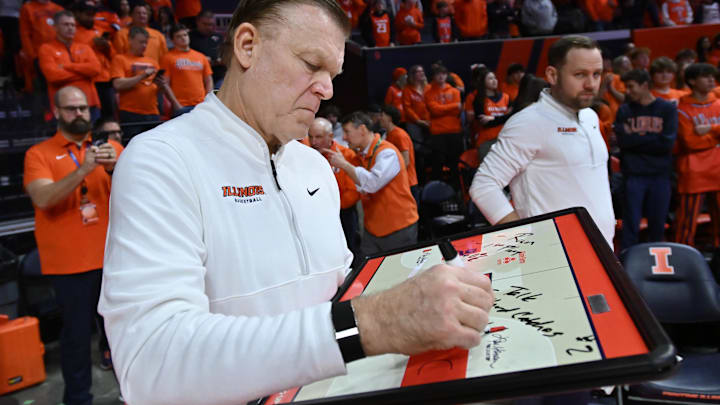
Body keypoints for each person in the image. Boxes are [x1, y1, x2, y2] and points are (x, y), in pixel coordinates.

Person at [98, 2, 494, 404]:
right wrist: (376, 321)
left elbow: (337, 285)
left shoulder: (313, 167)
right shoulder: (161, 159)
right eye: (311, 64)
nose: (328, 89)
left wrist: (418, 299)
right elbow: (153, 365)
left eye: (332, 74)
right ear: (248, 46)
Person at [23, 85, 122, 405]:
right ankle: (78, 400)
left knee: (123, 336)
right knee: (76, 340)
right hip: (70, 266)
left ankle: (134, 393)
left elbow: (142, 193)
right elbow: (43, 197)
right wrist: (83, 170)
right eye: (71, 109)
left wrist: (114, 167)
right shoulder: (39, 154)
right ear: (56, 112)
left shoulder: (111, 149)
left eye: (83, 108)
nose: (79, 113)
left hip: (114, 259)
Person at [469, 35, 615, 247]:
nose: (590, 84)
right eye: (580, 74)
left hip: (602, 248)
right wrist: (527, 242)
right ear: (552, 75)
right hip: (557, 258)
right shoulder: (528, 123)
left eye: (596, 74)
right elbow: (483, 186)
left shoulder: (590, 116)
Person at [328, 111, 419, 254]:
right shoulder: (360, 154)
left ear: (362, 130)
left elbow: (371, 184)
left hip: (398, 227)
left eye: (347, 131)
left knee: (401, 274)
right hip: (373, 229)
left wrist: (344, 165)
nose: (344, 137)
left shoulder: (387, 152)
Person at [614, 69, 677, 250]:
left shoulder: (667, 108)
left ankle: (655, 271)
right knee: (630, 227)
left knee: (657, 226)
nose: (627, 91)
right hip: (633, 175)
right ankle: (627, 269)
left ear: (645, 85)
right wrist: (651, 139)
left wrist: (636, 141)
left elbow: (666, 144)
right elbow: (623, 142)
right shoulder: (624, 110)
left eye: (631, 86)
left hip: (660, 175)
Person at [674, 63, 720, 248]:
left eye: (712, 76)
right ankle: (683, 263)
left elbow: (699, 138)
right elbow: (690, 142)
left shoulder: (718, 103)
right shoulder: (682, 108)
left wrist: (710, 128)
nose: (711, 80)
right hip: (694, 172)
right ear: (692, 81)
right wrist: (715, 140)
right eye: (705, 76)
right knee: (686, 225)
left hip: (718, 169)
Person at [306, 117, 361, 255]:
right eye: (310, 136)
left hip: (343, 213)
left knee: (350, 250)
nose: (314, 142)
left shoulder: (346, 154)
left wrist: (331, 208)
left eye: (318, 137)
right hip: (315, 214)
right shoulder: (305, 154)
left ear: (330, 136)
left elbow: (353, 192)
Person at [38, 11, 101, 117]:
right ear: (55, 27)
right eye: (66, 24)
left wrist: (67, 66)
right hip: (64, 106)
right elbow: (53, 76)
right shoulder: (46, 49)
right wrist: (84, 75)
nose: (70, 28)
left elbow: (95, 69)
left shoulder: (85, 47)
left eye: (73, 25)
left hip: (90, 103)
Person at [111, 26, 176, 127]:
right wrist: (143, 76)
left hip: (153, 112)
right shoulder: (120, 59)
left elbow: (158, 90)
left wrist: (161, 85)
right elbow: (118, 84)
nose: (144, 45)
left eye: (146, 42)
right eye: (141, 42)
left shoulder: (153, 62)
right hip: (130, 112)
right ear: (130, 40)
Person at [72, 2, 116, 118]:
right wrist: (92, 45)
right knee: (92, 115)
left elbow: (113, 55)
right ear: (77, 14)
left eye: (92, 15)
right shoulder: (74, 32)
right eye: (87, 15)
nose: (90, 18)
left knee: (109, 114)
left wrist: (106, 47)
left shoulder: (99, 30)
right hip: (88, 80)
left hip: (105, 78)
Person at [161, 24, 213, 115]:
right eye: (178, 36)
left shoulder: (201, 56)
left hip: (201, 105)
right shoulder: (167, 58)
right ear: (172, 40)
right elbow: (165, 83)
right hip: (181, 105)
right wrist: (176, 104)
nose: (183, 38)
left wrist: (207, 101)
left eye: (185, 35)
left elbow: (208, 80)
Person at [424, 63, 462, 183]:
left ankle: (456, 189)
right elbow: (434, 111)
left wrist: (443, 108)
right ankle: (438, 190)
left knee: (454, 162)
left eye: (443, 74)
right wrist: (453, 106)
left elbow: (458, 110)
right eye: (438, 74)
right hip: (437, 132)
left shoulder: (455, 91)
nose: (441, 77)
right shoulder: (429, 92)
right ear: (433, 77)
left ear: (446, 75)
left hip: (454, 130)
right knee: (438, 162)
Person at [381, 104, 419, 202]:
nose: (380, 118)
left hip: (407, 182)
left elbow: (405, 161)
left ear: (389, 117)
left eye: (382, 115)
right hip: (399, 182)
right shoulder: (388, 135)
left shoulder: (399, 135)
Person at [189, 9, 225, 86]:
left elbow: (227, 55)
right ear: (197, 22)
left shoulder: (219, 37)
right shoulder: (189, 37)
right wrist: (202, 60)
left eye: (211, 24)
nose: (209, 27)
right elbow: (183, 56)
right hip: (198, 77)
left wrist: (222, 59)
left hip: (218, 75)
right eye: (205, 24)